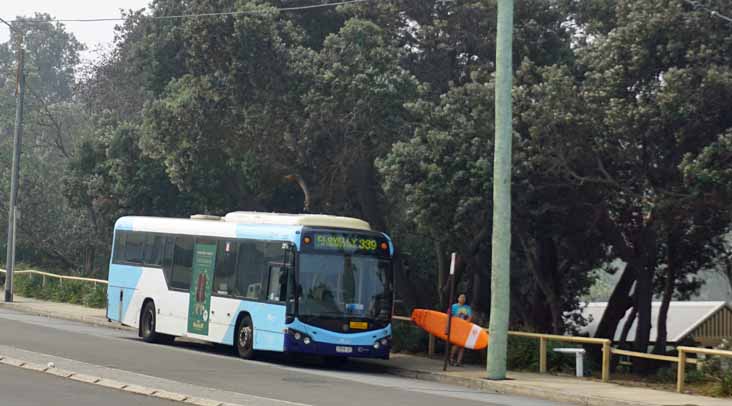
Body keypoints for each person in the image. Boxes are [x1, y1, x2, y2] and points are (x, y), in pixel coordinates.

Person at [449, 293, 472, 366]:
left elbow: (470, 317)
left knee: (462, 345)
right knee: (456, 343)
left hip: (464, 328)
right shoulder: (454, 306)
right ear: (458, 298)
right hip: (456, 327)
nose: (462, 299)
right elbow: (449, 315)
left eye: (464, 298)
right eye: (461, 297)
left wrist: (466, 322)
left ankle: (459, 361)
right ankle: (451, 359)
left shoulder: (467, 307)